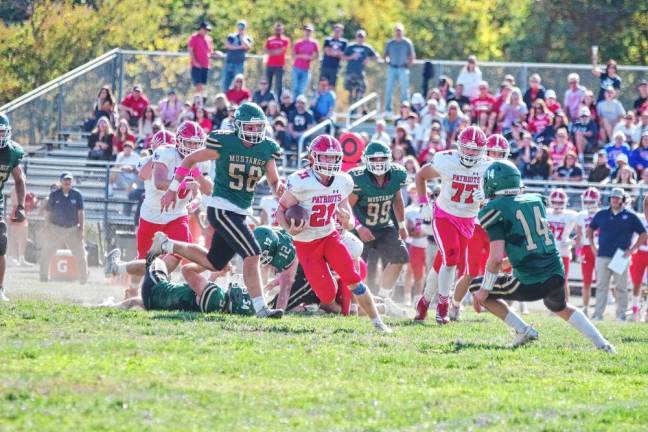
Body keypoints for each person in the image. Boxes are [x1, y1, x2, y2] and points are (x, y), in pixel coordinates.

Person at [469, 160, 615, 352]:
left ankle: (523, 330)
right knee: (561, 307)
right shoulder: (534, 200)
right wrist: (508, 262)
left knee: (477, 286)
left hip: (531, 281)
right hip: (555, 274)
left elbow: (495, 257)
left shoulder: (493, 210)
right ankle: (603, 345)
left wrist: (485, 289)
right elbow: (528, 241)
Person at [158, 102, 284, 319]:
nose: (255, 131)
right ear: (239, 125)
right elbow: (190, 159)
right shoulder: (225, 142)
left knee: (215, 262)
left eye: (258, 127)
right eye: (250, 127)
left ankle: (166, 244)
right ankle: (261, 309)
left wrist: (280, 191)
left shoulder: (266, 148)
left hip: (239, 211)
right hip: (222, 208)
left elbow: (274, 181)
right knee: (253, 254)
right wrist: (171, 189)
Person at [275, 134, 391, 331]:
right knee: (327, 295)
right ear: (312, 158)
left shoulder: (343, 181)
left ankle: (377, 322)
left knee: (354, 279)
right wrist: (289, 230)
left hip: (330, 236)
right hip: (306, 243)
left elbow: (349, 221)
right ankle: (330, 281)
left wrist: (347, 220)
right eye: (325, 157)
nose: (329, 162)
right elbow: (280, 210)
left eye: (333, 157)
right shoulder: (301, 181)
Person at [106, 124, 212, 298]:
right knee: (144, 258)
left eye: (196, 144)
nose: (193, 148)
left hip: (177, 214)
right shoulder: (164, 153)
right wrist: (184, 183)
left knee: (179, 253)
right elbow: (157, 180)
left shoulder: (202, 160)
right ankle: (131, 289)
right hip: (152, 214)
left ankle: (157, 284)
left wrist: (196, 173)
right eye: (189, 143)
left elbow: (206, 189)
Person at [414, 126, 491, 324]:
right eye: (467, 148)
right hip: (444, 216)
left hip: (468, 220)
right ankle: (443, 306)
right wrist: (423, 203)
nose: (471, 153)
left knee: (443, 262)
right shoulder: (447, 160)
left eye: (475, 150)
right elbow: (420, 176)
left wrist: (486, 197)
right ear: (459, 147)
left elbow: (497, 195)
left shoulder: (488, 166)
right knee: (452, 258)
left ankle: (423, 302)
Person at [348, 141, 409, 299]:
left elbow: (397, 200)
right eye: (373, 159)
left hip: (384, 226)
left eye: (381, 159)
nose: (378, 163)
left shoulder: (396, 175)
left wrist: (402, 225)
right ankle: (355, 301)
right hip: (360, 228)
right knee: (355, 267)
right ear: (366, 160)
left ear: (388, 159)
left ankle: (383, 298)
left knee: (401, 257)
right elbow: (347, 207)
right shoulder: (358, 178)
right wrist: (359, 227)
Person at [588, 187, 646, 321]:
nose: (614, 200)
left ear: (623, 200)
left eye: (617, 198)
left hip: (621, 255)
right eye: (613, 197)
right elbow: (590, 228)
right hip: (602, 253)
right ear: (609, 199)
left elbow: (643, 233)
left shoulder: (630, 216)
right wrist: (592, 245)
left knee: (621, 287)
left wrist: (632, 249)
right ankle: (598, 314)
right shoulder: (601, 214)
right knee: (602, 286)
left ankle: (621, 315)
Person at [39, 172, 88, 284]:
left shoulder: (77, 194)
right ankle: (43, 277)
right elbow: (48, 212)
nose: (67, 182)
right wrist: (46, 227)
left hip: (73, 229)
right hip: (56, 229)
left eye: (69, 180)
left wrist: (81, 228)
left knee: (81, 254)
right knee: (46, 253)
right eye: (65, 179)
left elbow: (81, 212)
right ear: (61, 181)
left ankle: (83, 279)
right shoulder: (54, 195)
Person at [0, 113, 26, 301]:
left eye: (2, 132)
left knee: (1, 244)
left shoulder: (12, 153)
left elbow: (19, 179)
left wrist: (21, 205)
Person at [546, 189, 578, 302]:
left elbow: (582, 230)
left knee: (563, 280)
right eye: (554, 202)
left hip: (563, 252)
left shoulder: (571, 215)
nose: (557, 205)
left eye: (560, 202)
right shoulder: (545, 212)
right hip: (548, 252)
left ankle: (566, 303)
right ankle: (552, 305)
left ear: (565, 202)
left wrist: (572, 242)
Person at [574, 187, 601, 317]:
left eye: (591, 201)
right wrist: (578, 252)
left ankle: (599, 309)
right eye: (587, 201)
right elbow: (578, 236)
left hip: (601, 248)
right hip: (586, 248)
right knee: (586, 281)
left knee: (602, 281)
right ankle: (585, 308)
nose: (588, 204)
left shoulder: (602, 213)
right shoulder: (580, 215)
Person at [383, 23, 415, 116]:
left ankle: (405, 110)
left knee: (404, 90)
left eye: (400, 31)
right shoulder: (390, 43)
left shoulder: (407, 43)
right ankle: (388, 110)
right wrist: (387, 63)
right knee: (389, 89)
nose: (398, 33)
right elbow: (385, 55)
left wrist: (408, 65)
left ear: (403, 32)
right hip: (392, 68)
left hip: (402, 68)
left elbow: (412, 56)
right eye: (397, 31)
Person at [343, 30, 377, 105]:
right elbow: (343, 57)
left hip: (360, 73)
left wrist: (369, 58)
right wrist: (351, 57)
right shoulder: (351, 46)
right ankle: (351, 109)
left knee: (361, 90)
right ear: (356, 37)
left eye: (362, 37)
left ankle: (359, 108)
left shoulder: (367, 47)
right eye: (359, 36)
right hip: (350, 72)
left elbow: (376, 56)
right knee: (350, 91)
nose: (360, 38)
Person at [222, 20, 253, 92]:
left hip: (239, 64)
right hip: (229, 63)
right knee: (225, 83)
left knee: (239, 83)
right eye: (239, 26)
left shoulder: (247, 38)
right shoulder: (231, 36)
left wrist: (242, 37)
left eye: (242, 27)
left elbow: (246, 46)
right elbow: (228, 46)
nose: (240, 28)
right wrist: (239, 47)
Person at [291, 24, 320, 98]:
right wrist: (302, 56)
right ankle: (293, 105)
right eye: (306, 31)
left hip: (306, 69)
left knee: (302, 89)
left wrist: (310, 58)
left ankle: (299, 106)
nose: (307, 32)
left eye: (309, 31)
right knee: (295, 88)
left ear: (312, 32)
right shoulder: (298, 42)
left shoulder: (314, 43)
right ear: (303, 31)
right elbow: (293, 55)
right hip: (296, 68)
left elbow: (317, 55)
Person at [264, 22, 291, 100]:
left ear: (282, 30)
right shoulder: (270, 39)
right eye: (276, 29)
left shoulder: (285, 40)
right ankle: (266, 100)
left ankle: (278, 101)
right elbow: (266, 50)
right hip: (269, 65)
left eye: (280, 29)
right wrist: (274, 51)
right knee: (267, 84)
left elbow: (281, 51)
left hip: (279, 65)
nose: (278, 31)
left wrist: (271, 51)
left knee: (279, 85)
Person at [187, 22, 216, 94]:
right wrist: (195, 62)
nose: (206, 31)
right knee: (198, 85)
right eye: (205, 29)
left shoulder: (209, 39)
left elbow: (210, 52)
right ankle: (197, 102)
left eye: (207, 30)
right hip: (197, 66)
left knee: (203, 86)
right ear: (200, 29)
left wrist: (216, 53)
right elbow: (190, 50)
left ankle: (200, 101)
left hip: (205, 65)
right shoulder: (194, 37)